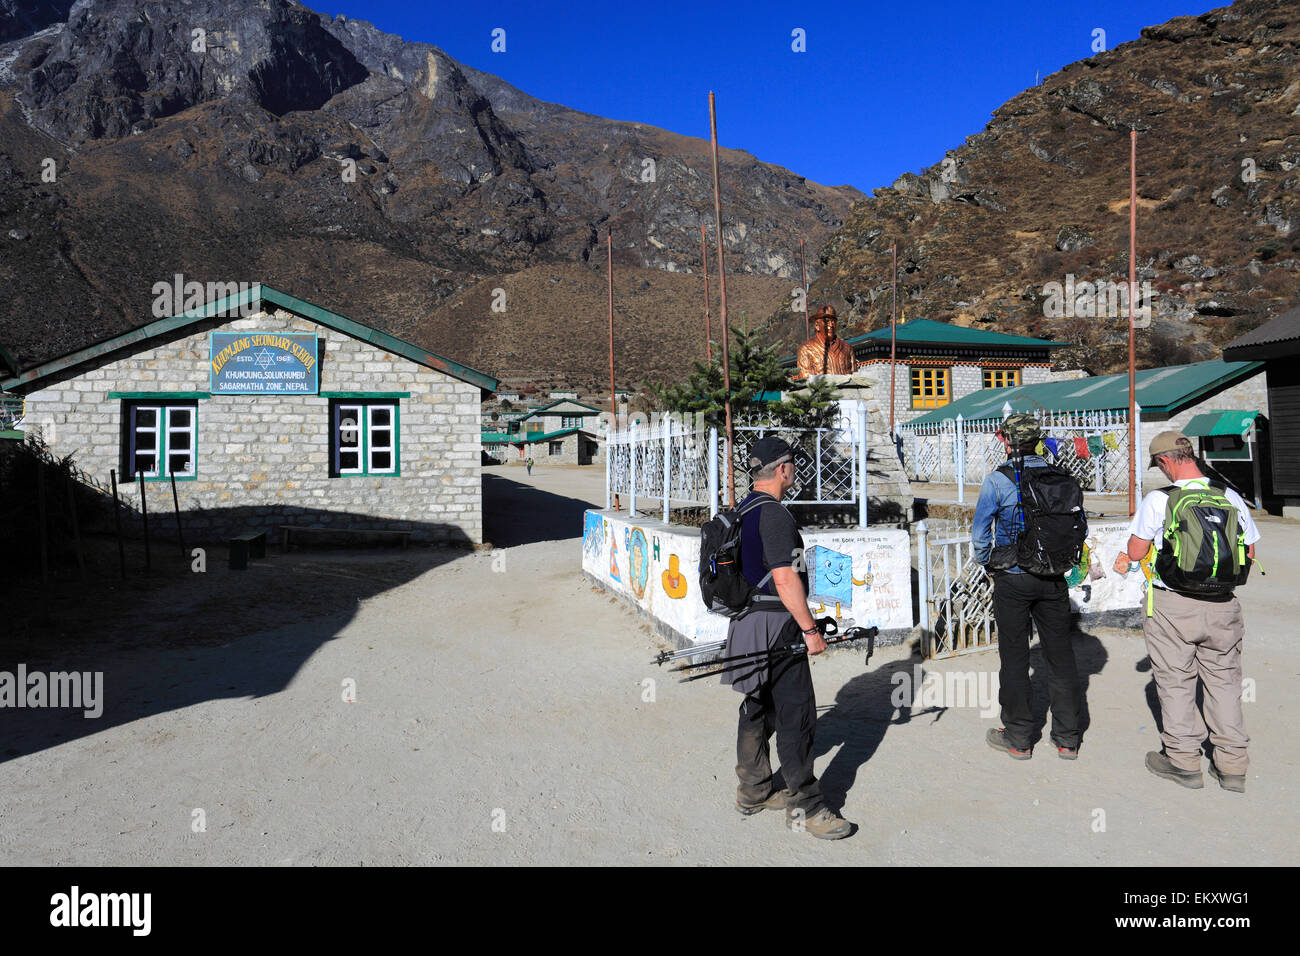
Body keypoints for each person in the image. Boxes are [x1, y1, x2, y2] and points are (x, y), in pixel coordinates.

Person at [721, 436, 852, 839]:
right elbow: (783, 576)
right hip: (778, 625)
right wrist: (811, 630)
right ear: (782, 469)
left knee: (757, 706)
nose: (794, 470)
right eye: (792, 464)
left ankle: (754, 790)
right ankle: (809, 807)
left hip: (746, 624)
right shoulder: (775, 514)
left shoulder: (742, 510)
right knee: (796, 712)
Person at [1126, 431, 1259, 791]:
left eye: (1160, 465)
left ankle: (1183, 761)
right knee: (1225, 684)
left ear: (1166, 461)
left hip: (1174, 605)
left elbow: (1136, 552)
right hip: (1223, 604)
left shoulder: (1161, 499)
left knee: (1175, 681)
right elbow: (1248, 552)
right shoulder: (1228, 496)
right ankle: (1232, 766)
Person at [972, 413, 1082, 760]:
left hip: (1014, 577)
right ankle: (1067, 738)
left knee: (1015, 656)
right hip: (1054, 577)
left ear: (1005, 440)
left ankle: (1019, 738)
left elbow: (979, 534)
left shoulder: (998, 480)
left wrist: (988, 562)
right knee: (1061, 656)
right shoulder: (1062, 477)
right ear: (1037, 439)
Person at [794, 305, 857, 379]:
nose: (831, 325)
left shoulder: (847, 348)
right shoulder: (806, 350)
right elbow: (805, 380)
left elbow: (855, 376)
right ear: (817, 325)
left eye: (833, 321)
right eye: (827, 321)